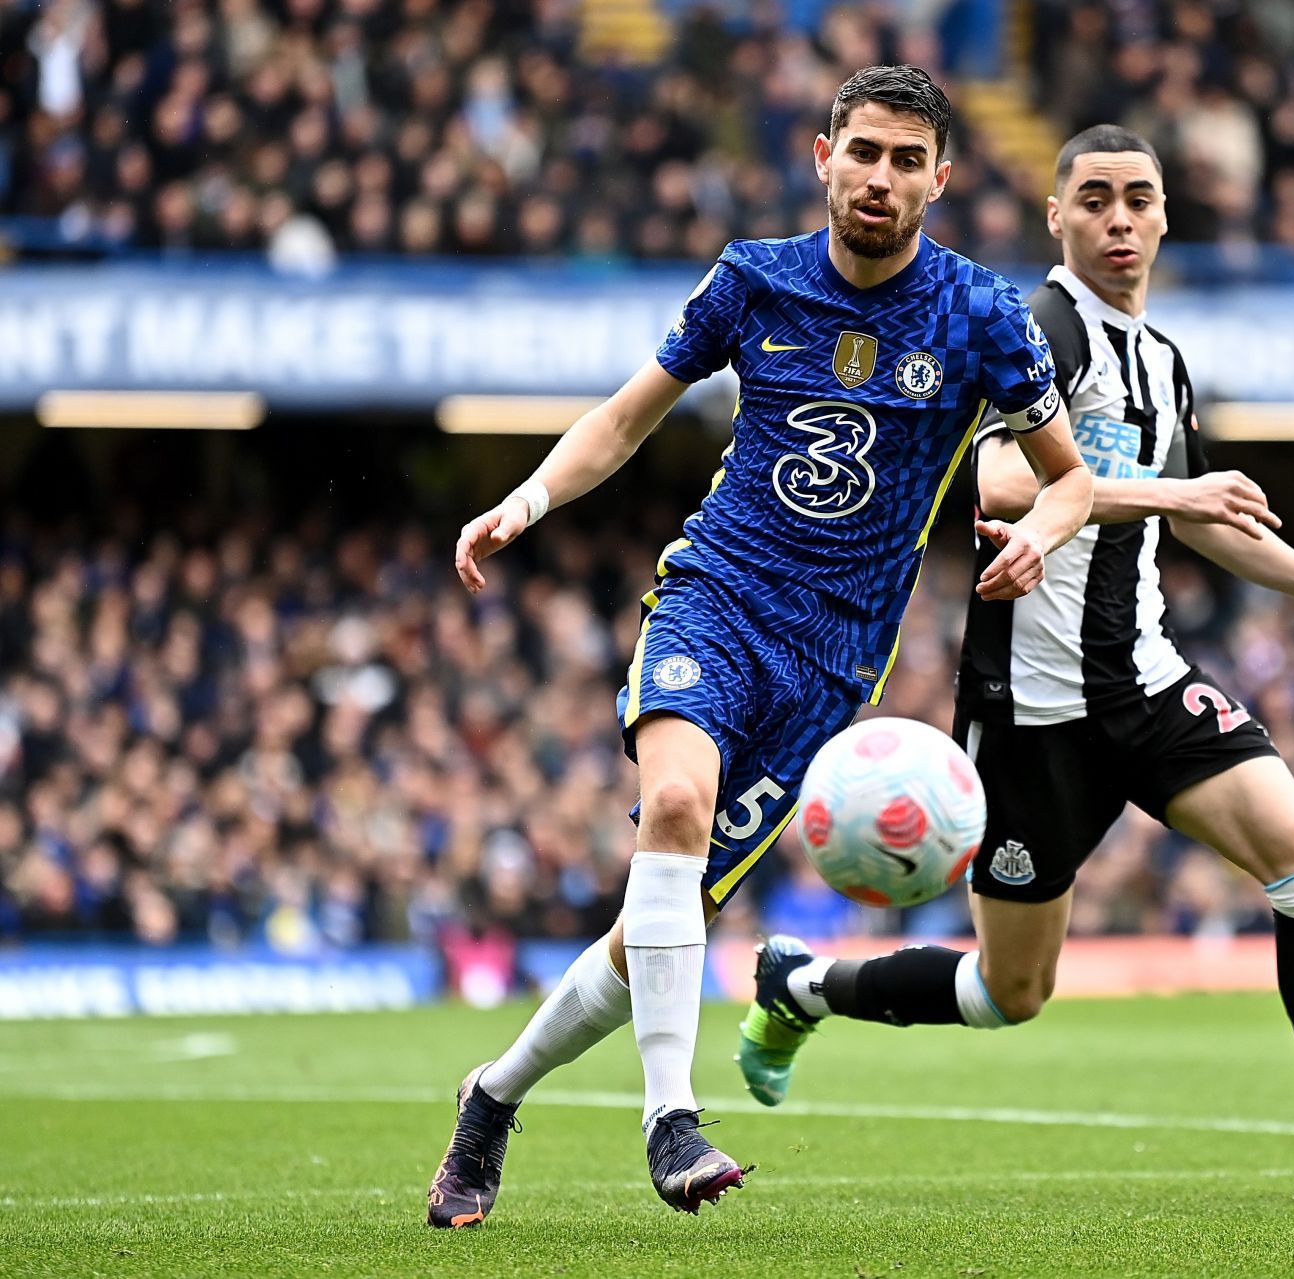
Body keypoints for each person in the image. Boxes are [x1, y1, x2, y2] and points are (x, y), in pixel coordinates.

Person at [734, 125, 1294, 1203]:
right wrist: (1175, 496)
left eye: (1139, 199)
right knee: (1009, 991)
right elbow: (993, 482)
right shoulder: (1039, 329)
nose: (1118, 219)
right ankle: (803, 986)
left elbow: (1215, 520)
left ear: (1167, 214)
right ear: (1057, 217)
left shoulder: (1162, 360)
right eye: (1094, 201)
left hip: (1148, 682)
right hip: (1030, 711)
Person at [425, 65, 1092, 1226]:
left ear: (942, 176)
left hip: (833, 670)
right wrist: (525, 501)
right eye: (862, 151)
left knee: (649, 936)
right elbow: (628, 416)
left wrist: (1038, 530)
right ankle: (669, 1119)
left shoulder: (982, 315)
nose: (879, 177)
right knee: (675, 808)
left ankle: (493, 1096)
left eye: (904, 160)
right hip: (718, 599)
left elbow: (1071, 482)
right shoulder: (752, 279)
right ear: (822, 153)